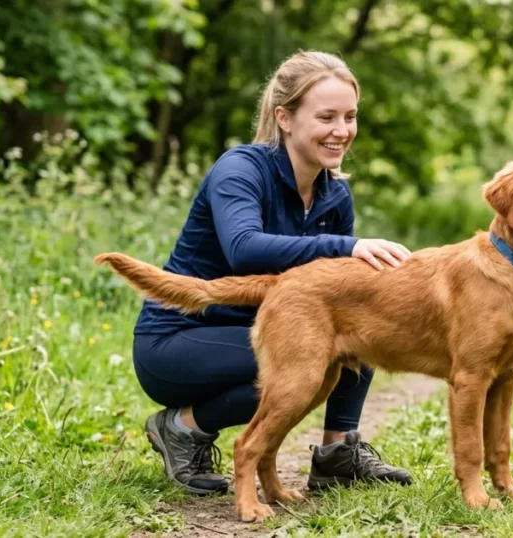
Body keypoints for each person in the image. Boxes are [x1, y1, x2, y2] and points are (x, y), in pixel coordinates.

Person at [130, 51, 414, 495]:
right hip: (178, 338)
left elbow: (339, 291)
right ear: (285, 117)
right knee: (303, 367)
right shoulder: (241, 170)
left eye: (350, 116)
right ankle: (181, 427)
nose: (342, 131)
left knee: (357, 323)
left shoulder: (334, 194)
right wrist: (349, 245)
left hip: (269, 328)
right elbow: (244, 249)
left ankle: (338, 453)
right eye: (327, 117)